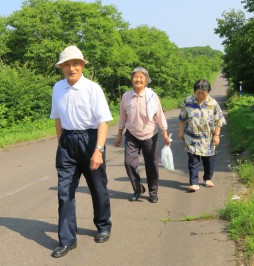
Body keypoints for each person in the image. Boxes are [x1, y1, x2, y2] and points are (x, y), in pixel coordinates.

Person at [49, 45, 113, 258]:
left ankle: (103, 225)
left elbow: (103, 121)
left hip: (90, 139)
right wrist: (61, 144)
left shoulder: (93, 88)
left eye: (75, 63)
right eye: (66, 64)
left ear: (83, 65)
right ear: (61, 68)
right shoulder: (58, 88)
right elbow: (58, 118)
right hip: (68, 142)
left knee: (97, 187)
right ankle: (67, 240)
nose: (71, 68)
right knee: (64, 191)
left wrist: (98, 151)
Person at [115, 67, 171, 203]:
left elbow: (159, 114)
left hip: (150, 135)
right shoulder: (126, 96)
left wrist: (164, 133)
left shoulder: (152, 96)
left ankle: (153, 192)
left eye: (141, 77)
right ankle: (137, 188)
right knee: (129, 163)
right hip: (131, 135)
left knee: (151, 165)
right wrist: (119, 135)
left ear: (146, 80)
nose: (138, 79)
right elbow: (122, 116)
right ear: (131, 79)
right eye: (135, 77)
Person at [178, 79, 226, 192]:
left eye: (204, 93)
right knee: (193, 161)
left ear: (208, 92)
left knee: (208, 160)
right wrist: (180, 131)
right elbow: (182, 118)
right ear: (194, 91)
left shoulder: (213, 103)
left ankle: (207, 178)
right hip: (191, 137)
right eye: (198, 93)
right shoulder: (188, 101)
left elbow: (218, 121)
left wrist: (217, 135)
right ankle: (194, 183)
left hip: (208, 138)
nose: (201, 95)